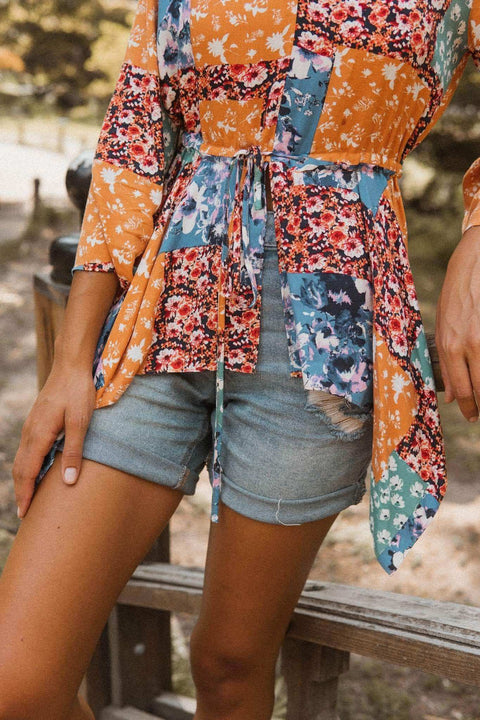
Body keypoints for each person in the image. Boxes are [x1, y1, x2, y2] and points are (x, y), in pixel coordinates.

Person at [1, 0, 480, 718]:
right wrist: (71, 363)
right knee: (16, 681)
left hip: (324, 341)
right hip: (160, 318)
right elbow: (134, 138)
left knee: (228, 664)